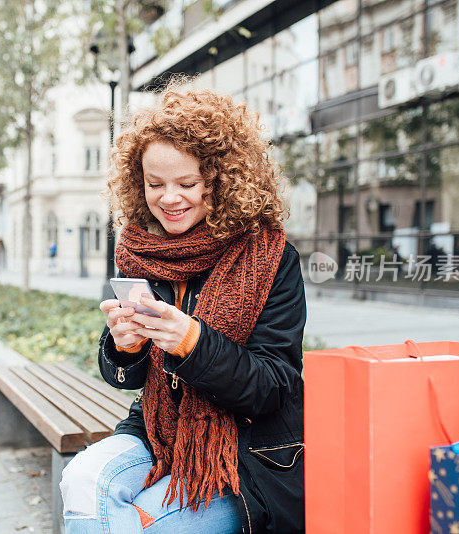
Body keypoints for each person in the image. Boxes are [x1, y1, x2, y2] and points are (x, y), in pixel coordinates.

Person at [59, 86, 306, 534]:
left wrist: (193, 343)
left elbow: (275, 387)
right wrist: (124, 348)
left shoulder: (271, 257)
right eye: (155, 184)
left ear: (223, 179)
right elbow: (127, 378)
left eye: (187, 184)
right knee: (79, 480)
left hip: (243, 459)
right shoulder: (139, 251)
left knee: (130, 525)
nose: (169, 198)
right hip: (156, 431)